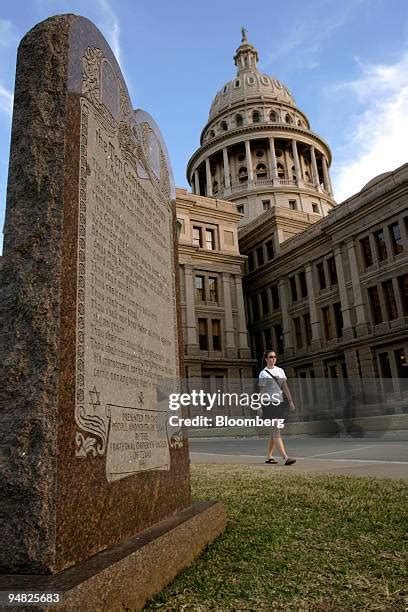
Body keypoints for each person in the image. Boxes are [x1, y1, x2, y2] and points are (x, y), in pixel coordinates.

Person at [258, 350, 296, 465]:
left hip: (279, 403)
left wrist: (290, 401)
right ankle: (286, 457)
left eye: (274, 356)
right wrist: (259, 406)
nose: (273, 358)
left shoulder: (280, 371)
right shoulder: (263, 373)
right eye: (270, 357)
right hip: (269, 404)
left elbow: (285, 387)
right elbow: (262, 392)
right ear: (266, 359)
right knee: (276, 431)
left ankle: (269, 456)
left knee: (274, 431)